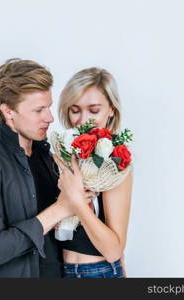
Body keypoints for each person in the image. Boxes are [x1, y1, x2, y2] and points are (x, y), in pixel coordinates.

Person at [0, 58, 91, 278]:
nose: (50, 117)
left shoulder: (49, 157)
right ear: (8, 111)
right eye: (38, 110)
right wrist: (60, 209)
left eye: (48, 107)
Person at [54, 67, 133, 278]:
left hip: (98, 272)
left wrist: (77, 201)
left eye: (94, 110)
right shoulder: (63, 153)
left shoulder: (116, 162)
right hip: (60, 271)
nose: (83, 120)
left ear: (111, 110)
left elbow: (113, 250)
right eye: (75, 110)